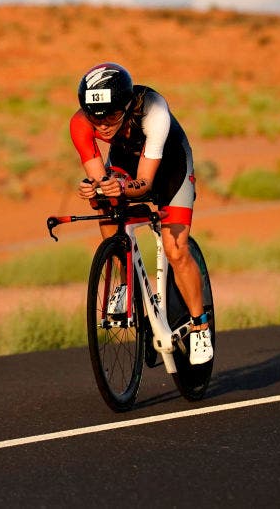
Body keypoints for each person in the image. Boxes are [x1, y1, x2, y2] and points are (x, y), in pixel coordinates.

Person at [69, 61, 213, 365]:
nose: (103, 125)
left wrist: (121, 187)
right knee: (104, 204)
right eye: (95, 118)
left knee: (176, 250)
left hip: (170, 167)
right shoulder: (80, 124)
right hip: (125, 161)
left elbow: (145, 182)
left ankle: (200, 326)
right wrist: (96, 187)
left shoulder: (154, 110)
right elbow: (100, 177)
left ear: (127, 105)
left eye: (111, 115)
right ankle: (124, 282)